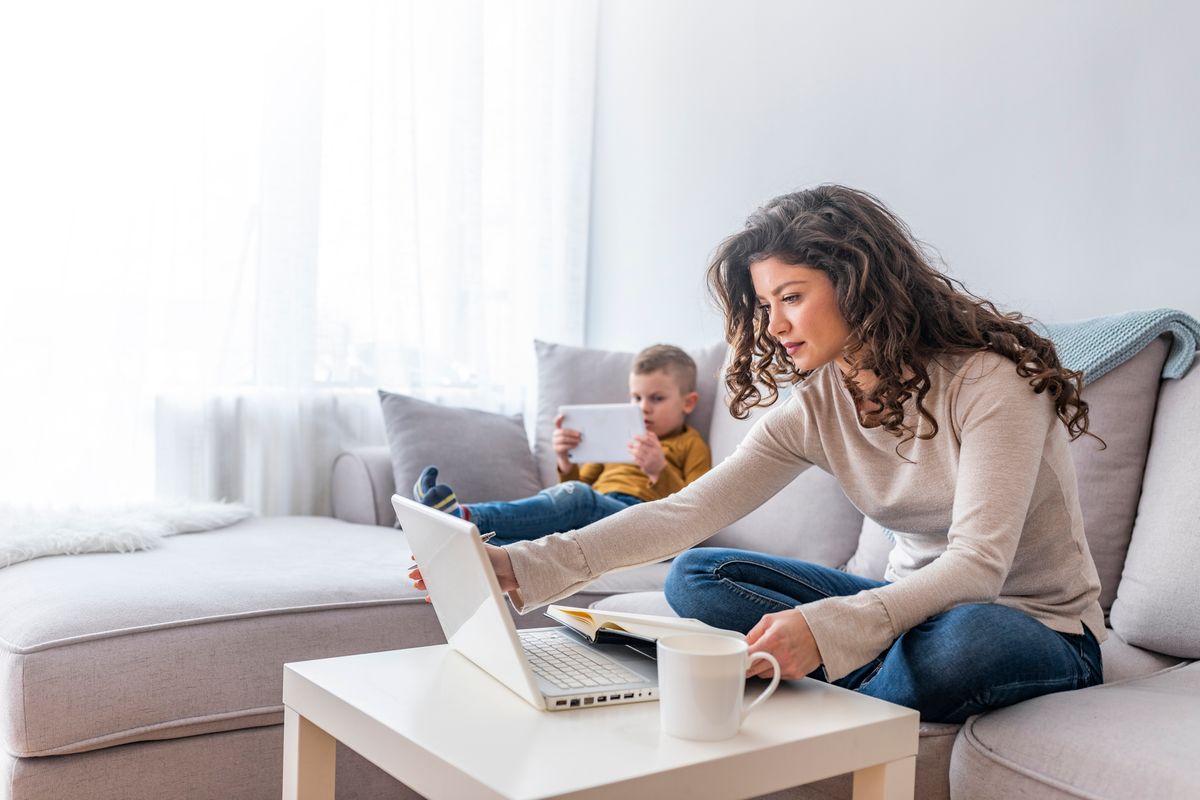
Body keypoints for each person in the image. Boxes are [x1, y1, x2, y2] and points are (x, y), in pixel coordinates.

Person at [410, 185, 1105, 723]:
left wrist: (835, 626)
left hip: (1030, 624)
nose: (773, 327)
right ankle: (860, 673)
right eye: (765, 304)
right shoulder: (820, 404)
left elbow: (977, 567)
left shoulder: (991, 384)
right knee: (697, 576)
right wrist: (521, 563)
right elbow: (687, 512)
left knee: (965, 644)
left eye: (792, 298)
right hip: (901, 611)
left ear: (860, 284)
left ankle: (831, 689)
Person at [412, 344, 712, 545]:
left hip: (644, 521)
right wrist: (566, 461)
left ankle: (461, 517)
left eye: (656, 399)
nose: (643, 407)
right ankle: (459, 542)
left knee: (578, 497)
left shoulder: (689, 443)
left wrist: (659, 471)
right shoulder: (622, 432)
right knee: (542, 541)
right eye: (636, 397)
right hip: (597, 514)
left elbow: (694, 512)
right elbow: (580, 486)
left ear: (688, 402)